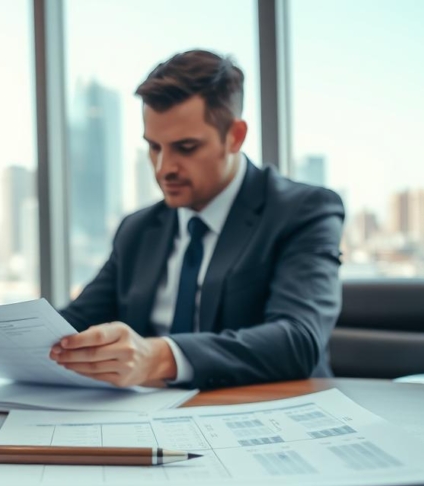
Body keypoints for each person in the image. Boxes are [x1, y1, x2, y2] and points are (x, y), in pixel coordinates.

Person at [51, 49, 344, 390]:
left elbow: (298, 340)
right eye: (154, 147)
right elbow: (72, 327)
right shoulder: (139, 229)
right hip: (149, 419)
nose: (164, 169)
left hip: (264, 414)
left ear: (234, 137)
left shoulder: (302, 211)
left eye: (185, 148)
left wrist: (159, 357)